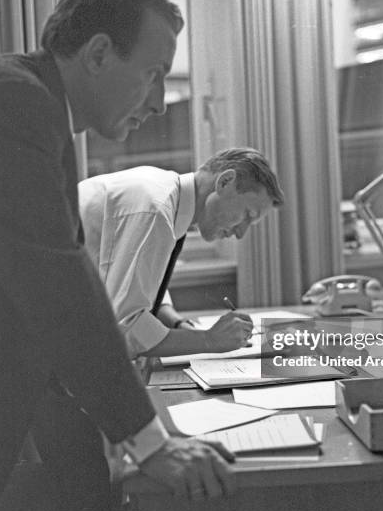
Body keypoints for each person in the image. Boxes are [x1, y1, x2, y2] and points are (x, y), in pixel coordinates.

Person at [0, 0, 235, 511]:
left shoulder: (34, 105)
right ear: (99, 53)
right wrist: (148, 440)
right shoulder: (10, 102)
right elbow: (54, 279)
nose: (159, 102)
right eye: (153, 74)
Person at [79, 148, 285, 358]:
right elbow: (125, 328)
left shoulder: (164, 196)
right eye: (247, 215)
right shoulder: (155, 209)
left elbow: (139, 284)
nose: (241, 233)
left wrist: (176, 322)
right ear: (225, 182)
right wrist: (209, 340)